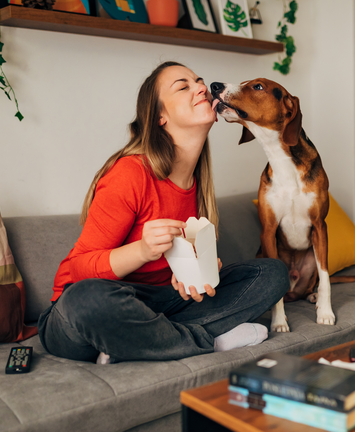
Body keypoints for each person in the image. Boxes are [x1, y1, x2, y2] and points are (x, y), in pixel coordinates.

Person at [37, 61, 289, 364]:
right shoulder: (130, 174)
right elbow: (78, 270)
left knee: (272, 273)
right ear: (159, 117)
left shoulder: (199, 185)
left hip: (159, 305)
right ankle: (207, 341)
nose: (200, 87)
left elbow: (178, 277)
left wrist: (194, 276)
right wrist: (143, 250)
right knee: (86, 300)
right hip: (79, 314)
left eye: (198, 81)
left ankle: (136, 344)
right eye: (183, 86)